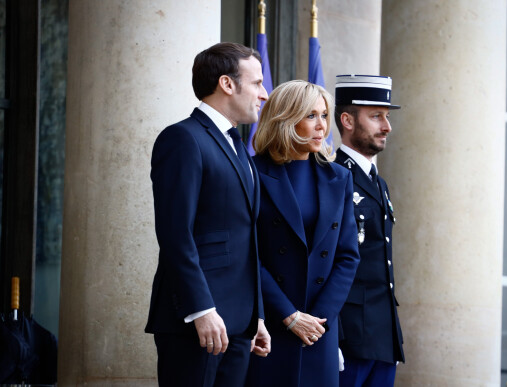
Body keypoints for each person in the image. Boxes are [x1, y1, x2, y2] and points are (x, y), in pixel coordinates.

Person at [145, 42, 271, 387]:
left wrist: (256, 314)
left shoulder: (238, 147)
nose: (264, 94)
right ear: (227, 84)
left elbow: (245, 240)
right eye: (257, 83)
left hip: (239, 323)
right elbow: (175, 234)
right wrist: (200, 309)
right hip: (197, 321)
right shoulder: (182, 139)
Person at [244, 80, 360, 387]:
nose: (322, 126)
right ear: (284, 118)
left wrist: (318, 321)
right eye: (310, 116)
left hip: (319, 328)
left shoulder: (340, 177)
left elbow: (347, 256)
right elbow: (247, 255)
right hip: (268, 324)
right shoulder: (252, 173)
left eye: (324, 115)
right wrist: (289, 316)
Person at [333, 74, 405, 387]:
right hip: (350, 335)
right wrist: (332, 336)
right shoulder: (332, 177)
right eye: (376, 116)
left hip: (383, 334)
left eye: (387, 117)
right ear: (347, 120)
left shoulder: (380, 183)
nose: (386, 127)